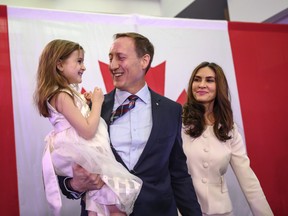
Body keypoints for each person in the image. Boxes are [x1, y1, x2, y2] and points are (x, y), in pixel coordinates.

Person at [58, 32, 202, 216]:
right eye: (110, 58)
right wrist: (75, 184)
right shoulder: (90, 108)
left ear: (144, 61)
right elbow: (64, 166)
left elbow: (179, 174)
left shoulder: (171, 110)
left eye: (121, 57)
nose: (112, 66)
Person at [34, 39, 142, 216]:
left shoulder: (65, 92)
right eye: (79, 61)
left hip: (82, 148)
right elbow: (87, 130)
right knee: (112, 199)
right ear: (60, 65)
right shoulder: (61, 95)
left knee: (99, 199)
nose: (83, 67)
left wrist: (86, 103)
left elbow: (78, 119)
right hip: (83, 148)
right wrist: (98, 103)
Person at [182, 61, 274, 216]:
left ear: (220, 87)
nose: (201, 85)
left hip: (220, 211)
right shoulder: (178, 122)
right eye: (197, 79)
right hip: (182, 210)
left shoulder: (229, 129)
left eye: (209, 80)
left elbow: (248, 180)